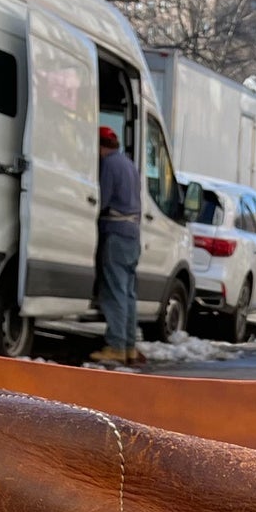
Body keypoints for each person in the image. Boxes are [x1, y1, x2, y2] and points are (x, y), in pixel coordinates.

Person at [92, 125, 142, 365]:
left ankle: (116, 346)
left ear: (100, 146)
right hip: (133, 235)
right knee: (129, 293)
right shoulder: (129, 164)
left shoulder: (109, 165)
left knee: (115, 292)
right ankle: (130, 347)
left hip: (115, 233)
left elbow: (101, 199)